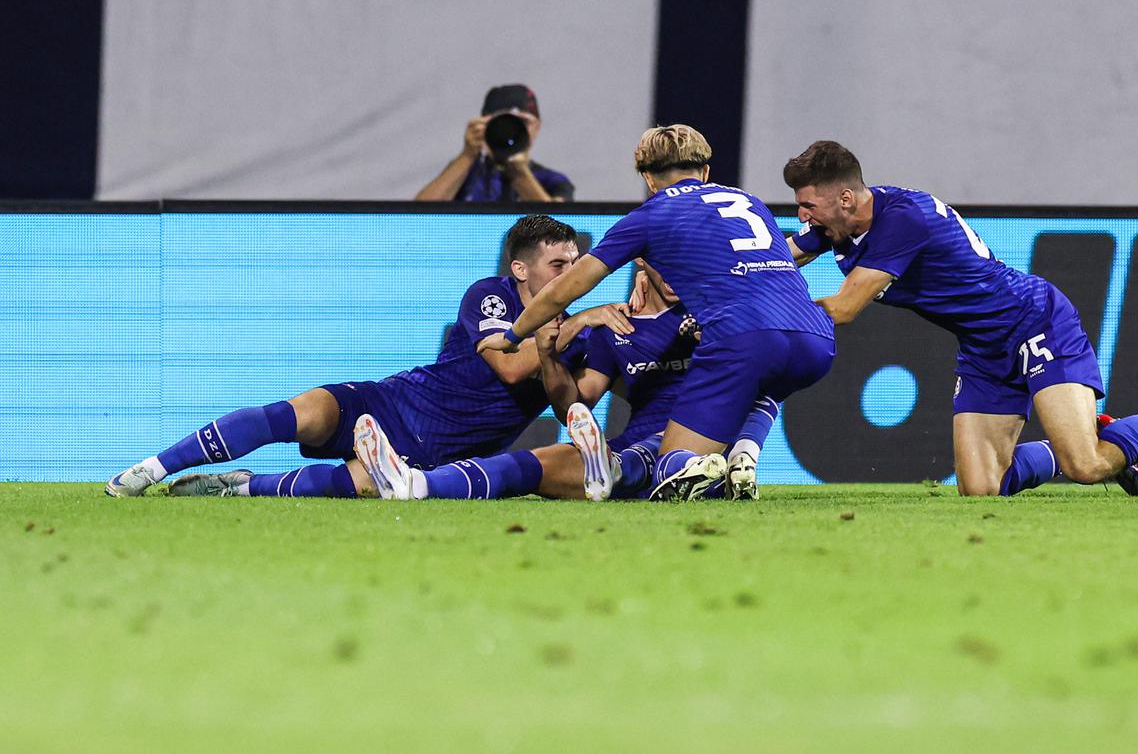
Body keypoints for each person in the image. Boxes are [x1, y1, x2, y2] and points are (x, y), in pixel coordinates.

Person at [780, 139, 1138, 497]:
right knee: (981, 489)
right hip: (982, 345)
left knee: (1087, 465)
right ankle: (1099, 438)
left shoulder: (901, 220)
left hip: (1033, 320)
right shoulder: (837, 225)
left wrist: (759, 314)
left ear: (845, 198)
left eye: (808, 205)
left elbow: (843, 309)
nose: (802, 216)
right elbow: (776, 256)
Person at [105, 215, 626, 498]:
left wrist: (569, 337)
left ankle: (237, 487)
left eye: (577, 264)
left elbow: (566, 409)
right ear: (520, 270)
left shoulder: (580, 336)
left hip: (439, 450)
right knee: (300, 412)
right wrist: (571, 323)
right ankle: (151, 468)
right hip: (394, 402)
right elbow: (510, 368)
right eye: (559, 265)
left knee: (351, 486)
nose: (573, 276)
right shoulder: (491, 295)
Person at [477, 124, 836, 502]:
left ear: (649, 178)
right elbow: (790, 252)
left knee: (671, 465)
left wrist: (514, 334)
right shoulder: (751, 203)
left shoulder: (650, 216)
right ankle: (744, 451)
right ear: (706, 171)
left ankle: (697, 465)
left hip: (745, 338)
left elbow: (569, 287)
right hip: (816, 339)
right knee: (765, 383)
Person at [348, 258, 780, 503]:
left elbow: (766, 373)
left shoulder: (721, 313)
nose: (674, 273)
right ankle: (411, 485)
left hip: (695, 441)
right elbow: (576, 404)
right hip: (632, 446)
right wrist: (551, 355)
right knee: (534, 463)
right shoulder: (618, 328)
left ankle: (621, 467)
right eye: (662, 262)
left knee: (658, 450)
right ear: (645, 263)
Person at [415, 84, 573, 203]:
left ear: (537, 127)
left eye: (523, 121)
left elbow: (560, 235)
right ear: (483, 124)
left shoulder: (551, 180)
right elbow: (415, 217)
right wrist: (468, 155)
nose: (512, 129)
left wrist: (520, 174)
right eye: (501, 122)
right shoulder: (465, 171)